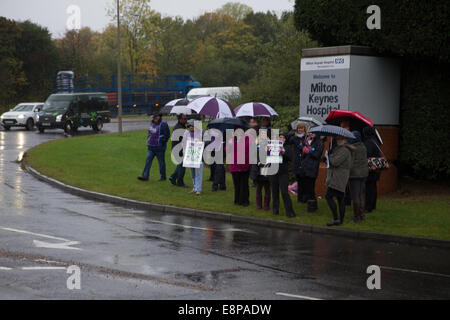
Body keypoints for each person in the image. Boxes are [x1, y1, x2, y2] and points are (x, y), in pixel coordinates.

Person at [325, 136, 352, 226]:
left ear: (345, 140)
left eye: (341, 139)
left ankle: (337, 218)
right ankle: (339, 220)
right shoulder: (340, 149)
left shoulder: (344, 150)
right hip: (338, 176)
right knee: (340, 199)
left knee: (329, 196)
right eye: (338, 139)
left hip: (339, 177)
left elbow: (335, 162)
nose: (339, 141)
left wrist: (328, 156)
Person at [138, 113, 170, 182]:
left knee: (161, 163)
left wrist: (162, 141)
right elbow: (149, 133)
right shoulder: (151, 123)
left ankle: (163, 177)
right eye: (154, 117)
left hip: (159, 148)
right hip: (151, 147)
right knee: (148, 161)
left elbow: (167, 135)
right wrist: (148, 140)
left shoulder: (163, 124)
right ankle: (145, 176)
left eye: (156, 117)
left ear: (159, 117)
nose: (154, 118)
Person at [270, 132, 296, 218]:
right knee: (274, 192)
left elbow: (290, 158)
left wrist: (283, 151)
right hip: (274, 171)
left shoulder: (287, 147)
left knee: (284, 192)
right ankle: (275, 210)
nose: (281, 139)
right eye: (279, 137)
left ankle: (290, 212)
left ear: (285, 139)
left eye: (283, 137)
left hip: (283, 173)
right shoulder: (273, 146)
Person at [348, 131, 369, 222]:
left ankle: (356, 217)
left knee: (355, 196)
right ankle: (362, 215)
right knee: (361, 195)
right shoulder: (363, 147)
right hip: (364, 173)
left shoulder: (353, 148)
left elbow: (351, 162)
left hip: (354, 174)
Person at [300, 133, 324, 212]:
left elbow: (317, 155)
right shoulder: (309, 141)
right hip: (306, 167)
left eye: (313, 133)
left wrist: (309, 150)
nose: (311, 134)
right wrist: (304, 148)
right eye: (310, 132)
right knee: (308, 188)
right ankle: (313, 206)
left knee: (310, 188)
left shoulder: (319, 142)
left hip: (312, 168)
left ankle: (311, 208)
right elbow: (304, 155)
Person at [227, 128, 251, 206]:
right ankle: (237, 200)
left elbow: (248, 149)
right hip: (235, 166)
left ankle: (245, 200)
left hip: (244, 165)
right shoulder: (232, 139)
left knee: (244, 184)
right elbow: (227, 150)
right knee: (236, 184)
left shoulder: (247, 139)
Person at [250, 125, 271, 211]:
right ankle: (259, 205)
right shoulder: (256, 142)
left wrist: (269, 162)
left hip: (267, 167)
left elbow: (273, 154)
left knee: (267, 187)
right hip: (257, 168)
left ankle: (266, 205)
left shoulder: (270, 142)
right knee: (259, 187)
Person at [363, 126, 381, 212]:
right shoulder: (376, 141)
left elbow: (367, 155)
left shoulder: (368, 142)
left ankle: (368, 206)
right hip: (376, 167)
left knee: (368, 188)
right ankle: (373, 205)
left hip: (370, 168)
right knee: (373, 187)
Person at [184, 120, 204, 195]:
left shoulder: (201, 133)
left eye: (192, 126)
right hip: (190, 156)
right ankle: (195, 187)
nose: (191, 127)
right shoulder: (187, 133)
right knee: (193, 173)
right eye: (190, 126)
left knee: (198, 173)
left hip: (198, 156)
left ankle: (198, 189)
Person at [290, 122, 308, 203]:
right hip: (297, 161)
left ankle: (305, 198)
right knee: (299, 181)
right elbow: (293, 142)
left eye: (302, 128)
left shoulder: (307, 138)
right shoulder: (294, 138)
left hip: (304, 161)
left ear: (304, 129)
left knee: (305, 182)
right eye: (299, 128)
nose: (300, 130)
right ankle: (300, 198)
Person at [169, 114, 188, 188]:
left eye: (186, 119)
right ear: (179, 119)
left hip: (177, 149)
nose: (185, 120)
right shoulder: (179, 128)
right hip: (179, 150)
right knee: (182, 166)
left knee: (180, 165)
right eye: (184, 119)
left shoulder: (179, 126)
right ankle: (180, 182)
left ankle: (173, 177)